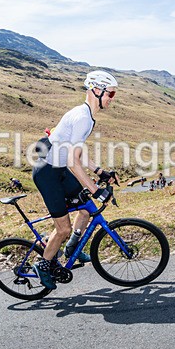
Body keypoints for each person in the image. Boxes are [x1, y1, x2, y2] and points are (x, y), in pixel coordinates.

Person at [31, 71, 119, 290]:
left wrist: (99, 171)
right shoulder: (82, 117)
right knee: (63, 229)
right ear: (97, 91)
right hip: (48, 174)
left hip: (59, 170)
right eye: (111, 93)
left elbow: (75, 152)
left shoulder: (87, 116)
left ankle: (72, 249)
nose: (112, 98)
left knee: (86, 208)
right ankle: (43, 264)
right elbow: (73, 163)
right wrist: (96, 188)